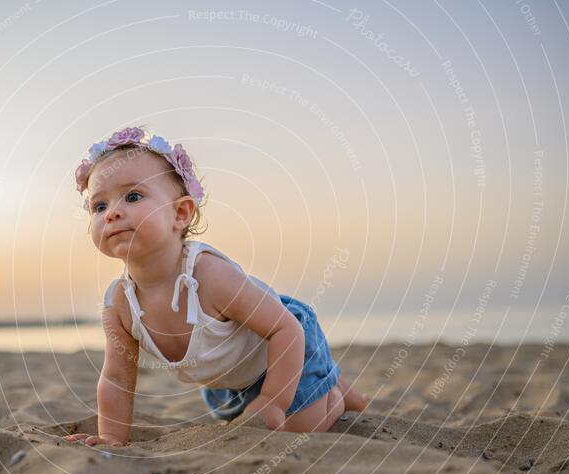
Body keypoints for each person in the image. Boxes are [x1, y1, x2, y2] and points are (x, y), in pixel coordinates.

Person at [64, 127, 368, 447]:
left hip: (286, 348)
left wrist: (274, 401)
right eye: (99, 206)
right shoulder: (120, 304)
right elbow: (116, 378)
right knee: (261, 422)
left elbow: (285, 330)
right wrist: (111, 437)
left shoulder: (207, 276)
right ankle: (335, 389)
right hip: (231, 380)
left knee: (296, 428)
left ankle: (332, 395)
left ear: (180, 213)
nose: (112, 212)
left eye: (133, 196)